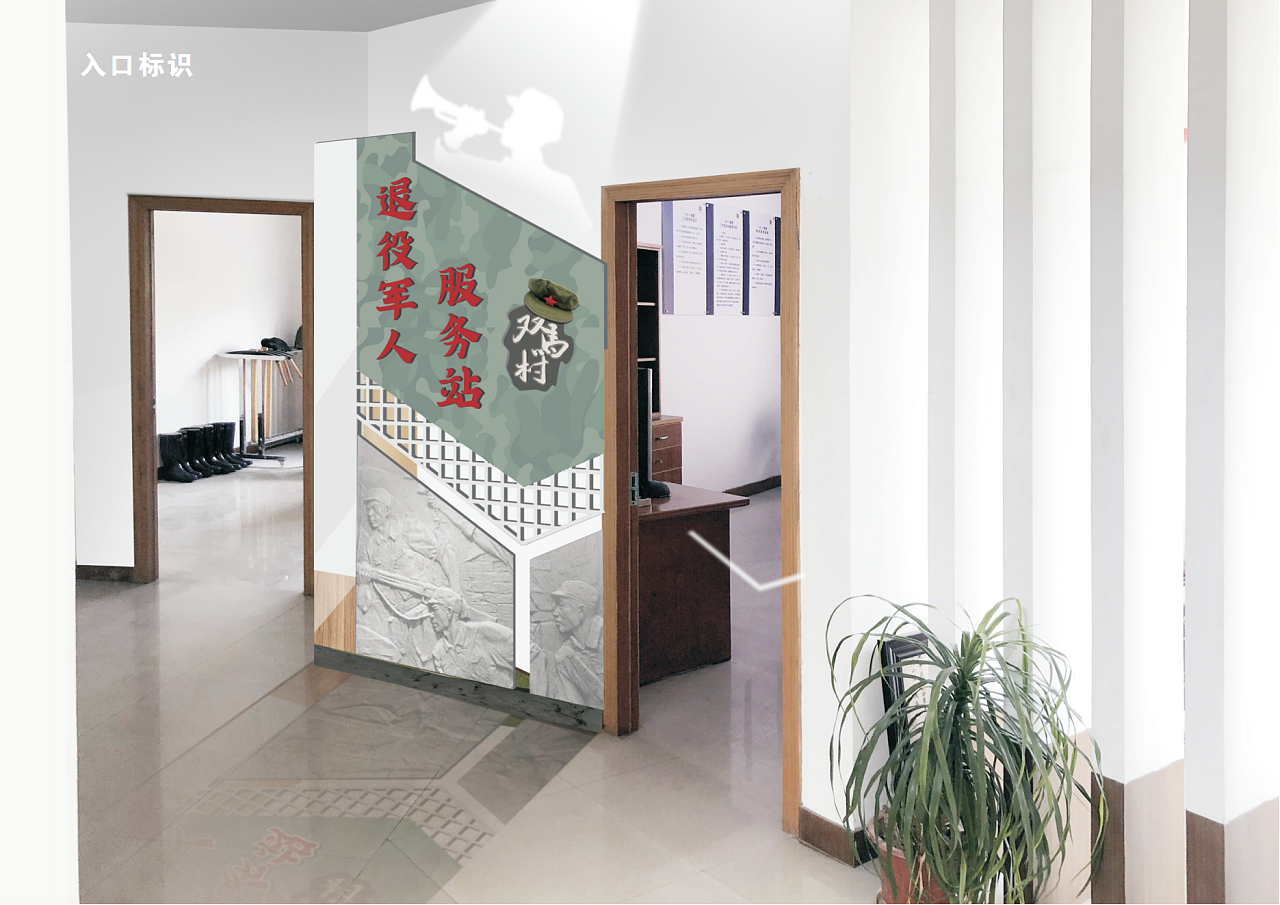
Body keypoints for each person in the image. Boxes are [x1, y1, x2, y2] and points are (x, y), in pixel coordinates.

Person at [532, 579, 604, 709]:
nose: (555, 613)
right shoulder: (564, 656)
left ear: (581, 611)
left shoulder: (610, 636)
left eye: (561, 605)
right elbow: (572, 704)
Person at [425, 587, 515, 686]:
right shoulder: (438, 652)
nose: (430, 615)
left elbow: (526, 653)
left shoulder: (484, 631)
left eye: (434, 609)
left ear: (449, 612)